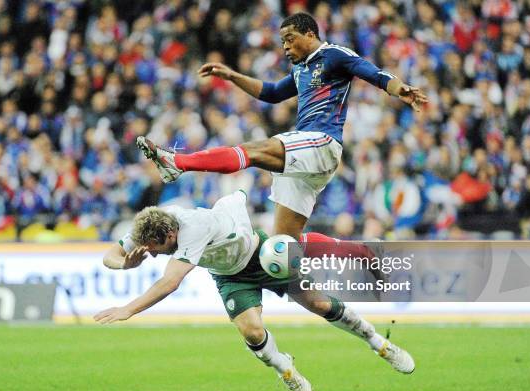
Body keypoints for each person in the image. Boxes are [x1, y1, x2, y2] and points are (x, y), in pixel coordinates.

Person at [137, 12, 428, 249]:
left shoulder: (335, 55)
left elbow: (373, 73)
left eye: (290, 40)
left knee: (254, 149)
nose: (286, 47)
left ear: (310, 34)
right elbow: (273, 92)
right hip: (306, 157)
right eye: (283, 42)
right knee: (283, 246)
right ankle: (361, 253)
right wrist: (231, 75)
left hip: (322, 142)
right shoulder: (301, 70)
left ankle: (178, 162)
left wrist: (399, 88)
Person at [94, 190, 415, 391]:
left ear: (171, 235)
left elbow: (170, 282)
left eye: (157, 250)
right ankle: (285, 368)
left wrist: (128, 309)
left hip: (259, 254)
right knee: (251, 331)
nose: (152, 255)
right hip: (230, 275)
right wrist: (123, 264)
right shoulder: (149, 227)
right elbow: (109, 254)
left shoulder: (192, 228)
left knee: (317, 303)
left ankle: (379, 344)